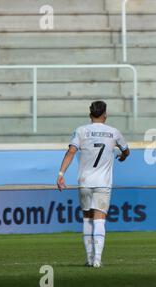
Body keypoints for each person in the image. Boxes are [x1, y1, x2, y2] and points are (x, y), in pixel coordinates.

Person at [56, 101, 130, 268]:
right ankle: (97, 259)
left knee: (87, 219)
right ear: (105, 114)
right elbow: (126, 151)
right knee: (100, 220)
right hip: (103, 183)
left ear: (90, 115)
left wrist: (61, 174)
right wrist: (123, 155)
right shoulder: (114, 132)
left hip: (84, 181)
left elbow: (71, 151)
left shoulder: (81, 130)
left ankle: (89, 259)